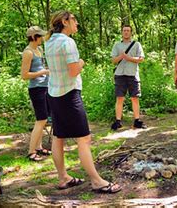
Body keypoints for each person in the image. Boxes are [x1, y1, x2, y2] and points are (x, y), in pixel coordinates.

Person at [45, 11, 121, 193]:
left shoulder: (49, 42)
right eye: (74, 20)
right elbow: (73, 71)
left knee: (58, 137)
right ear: (64, 22)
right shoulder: (67, 42)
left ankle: (63, 177)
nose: (77, 23)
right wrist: (81, 62)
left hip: (53, 94)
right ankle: (96, 181)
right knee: (84, 138)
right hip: (69, 95)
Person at [21, 26, 51, 162]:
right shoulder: (28, 52)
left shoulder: (39, 49)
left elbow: (40, 67)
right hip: (36, 89)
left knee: (42, 119)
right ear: (33, 37)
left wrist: (47, 71)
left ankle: (38, 147)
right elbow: (24, 75)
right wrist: (43, 72)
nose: (42, 38)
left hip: (45, 87)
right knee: (41, 119)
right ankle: (31, 152)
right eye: (40, 36)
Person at [110, 24, 146, 130]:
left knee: (135, 98)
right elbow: (113, 61)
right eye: (124, 30)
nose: (126, 32)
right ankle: (118, 121)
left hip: (133, 74)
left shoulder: (137, 44)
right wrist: (121, 56)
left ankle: (137, 120)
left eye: (128, 30)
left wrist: (128, 58)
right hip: (120, 74)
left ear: (131, 32)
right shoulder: (117, 45)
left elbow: (141, 59)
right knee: (120, 98)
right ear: (122, 32)